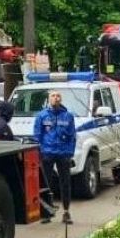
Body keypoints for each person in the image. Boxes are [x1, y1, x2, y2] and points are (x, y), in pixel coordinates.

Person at [34, 90, 76, 224]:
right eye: (53, 96)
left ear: (61, 99)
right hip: (47, 153)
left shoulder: (68, 116)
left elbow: (72, 136)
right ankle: (47, 213)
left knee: (65, 183)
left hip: (63, 154)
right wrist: (39, 152)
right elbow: (37, 136)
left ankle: (66, 212)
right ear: (48, 99)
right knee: (46, 184)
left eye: (58, 96)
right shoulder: (42, 116)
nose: (56, 98)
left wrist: (70, 153)